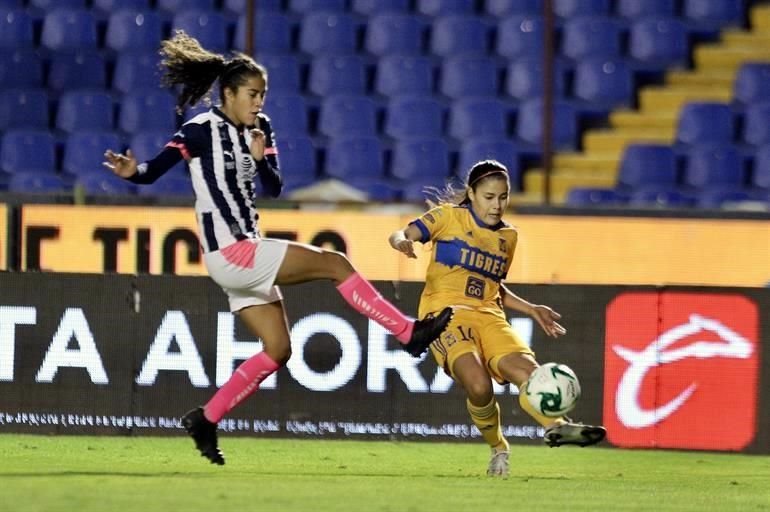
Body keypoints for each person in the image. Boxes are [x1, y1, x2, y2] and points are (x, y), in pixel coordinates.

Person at [103, 31, 453, 466]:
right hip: (231, 250)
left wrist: (258, 157)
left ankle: (206, 419)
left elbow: (273, 186)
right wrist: (131, 171)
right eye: (252, 94)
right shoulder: (198, 131)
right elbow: (153, 171)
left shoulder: (260, 128)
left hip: (241, 252)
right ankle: (408, 332)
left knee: (278, 350)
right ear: (228, 93)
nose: (259, 102)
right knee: (336, 264)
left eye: (263, 95)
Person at [388, 160, 606, 477]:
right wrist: (402, 242)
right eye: (489, 197)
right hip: (445, 316)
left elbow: (493, 286)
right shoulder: (448, 217)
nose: (497, 205)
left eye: (503, 197)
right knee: (478, 385)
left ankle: (557, 427)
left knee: (530, 374)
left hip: (490, 316)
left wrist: (531, 308)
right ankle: (499, 448)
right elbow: (399, 233)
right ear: (472, 193)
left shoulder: (509, 237)